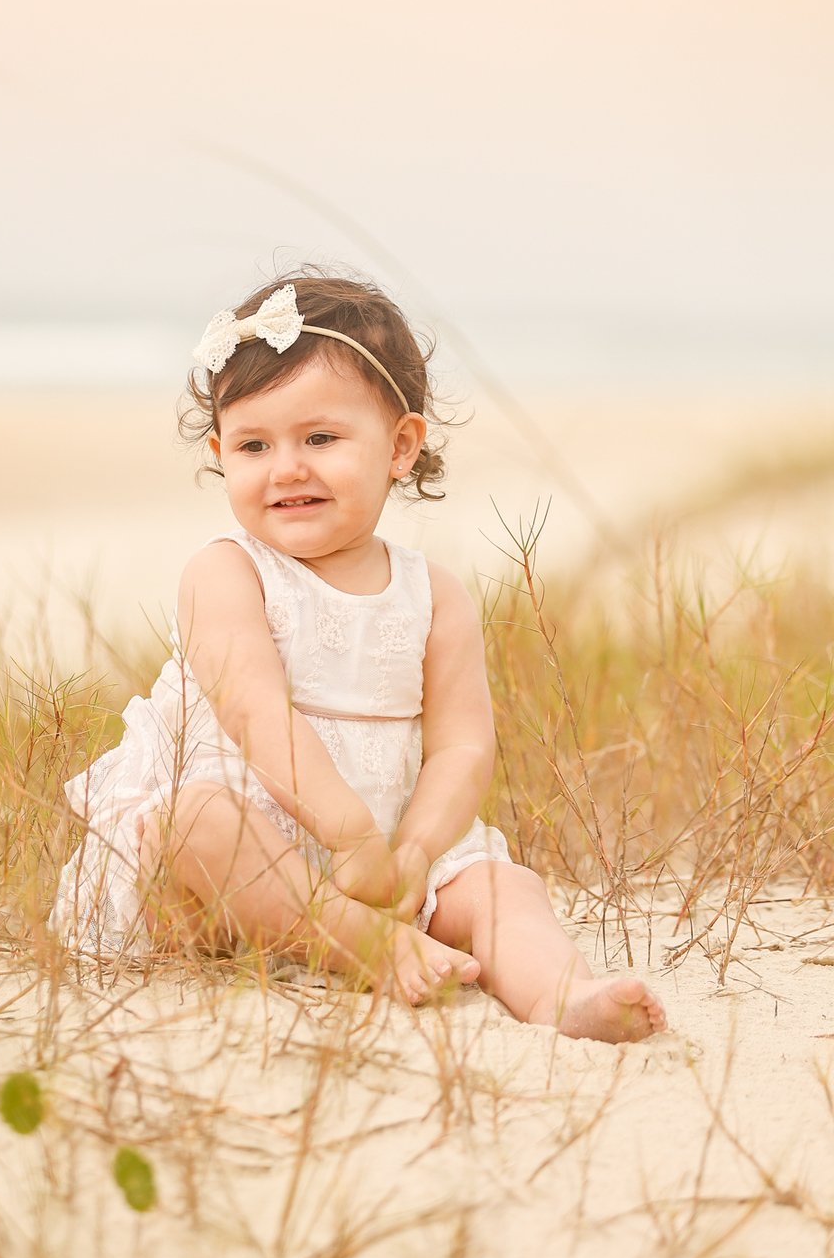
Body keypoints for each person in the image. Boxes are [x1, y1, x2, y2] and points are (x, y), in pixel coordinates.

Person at [52, 271, 665, 1041]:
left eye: (320, 438)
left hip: (387, 853)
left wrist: (414, 849)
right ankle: (361, 943)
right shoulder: (227, 573)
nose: (286, 468)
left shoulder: (434, 594)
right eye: (252, 445)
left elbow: (463, 743)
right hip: (239, 860)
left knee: (502, 886)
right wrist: (346, 836)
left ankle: (564, 993)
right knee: (193, 822)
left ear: (401, 446)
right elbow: (255, 712)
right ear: (219, 452)